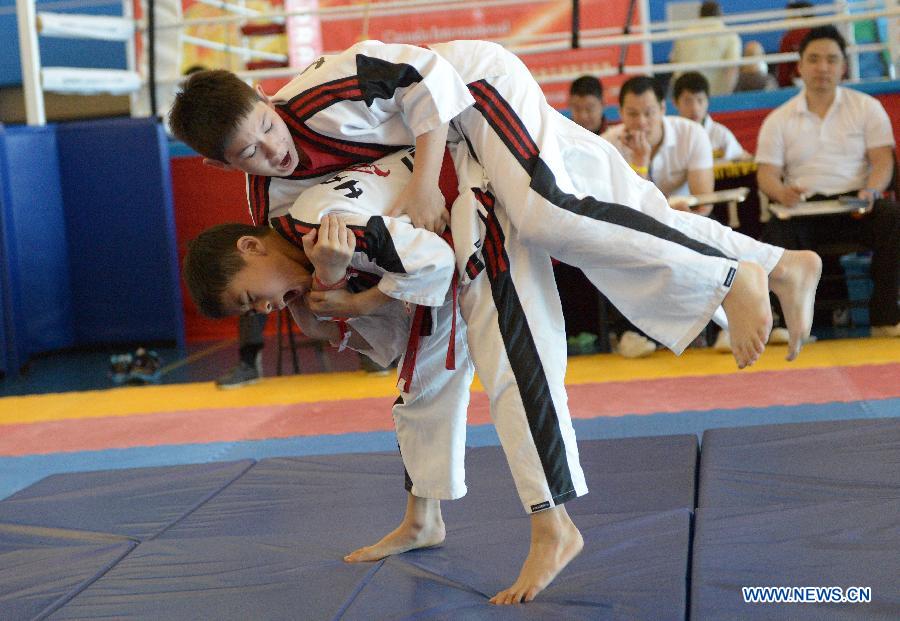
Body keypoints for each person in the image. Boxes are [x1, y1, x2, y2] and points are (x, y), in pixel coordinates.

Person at [169, 39, 822, 602]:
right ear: (220, 167)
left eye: (265, 126)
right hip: (455, 180)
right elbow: (349, 309)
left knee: (547, 219)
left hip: (475, 100)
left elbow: (425, 75)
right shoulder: (278, 211)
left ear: (263, 95)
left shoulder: (318, 93)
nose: (270, 149)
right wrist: (348, 290)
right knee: (617, 211)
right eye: (247, 152)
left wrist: (424, 183)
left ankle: (728, 278)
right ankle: (782, 264)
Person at [757, 26, 900, 338]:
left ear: (843, 66)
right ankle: (787, 324)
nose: (823, 67)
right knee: (773, 232)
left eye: (832, 60)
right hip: (803, 208)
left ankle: (886, 318)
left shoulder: (867, 107)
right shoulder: (778, 119)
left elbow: (883, 161)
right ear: (800, 66)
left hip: (855, 206)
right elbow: (766, 173)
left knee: (893, 218)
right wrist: (781, 191)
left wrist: (871, 190)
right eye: (814, 59)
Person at [673, 71, 750, 161]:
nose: (695, 108)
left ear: (708, 101)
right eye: (688, 101)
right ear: (675, 103)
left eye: (700, 100)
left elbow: (742, 160)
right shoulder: (670, 134)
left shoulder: (720, 134)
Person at [670, 1, 741, 96]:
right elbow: (732, 69)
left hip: (685, 93)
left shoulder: (684, 34)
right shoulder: (730, 35)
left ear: (700, 15)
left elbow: (674, 63)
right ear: (721, 15)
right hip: (716, 94)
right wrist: (726, 95)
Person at [777, 1, 814, 88]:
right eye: (787, 17)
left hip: (792, 87)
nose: (787, 21)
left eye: (792, 18)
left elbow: (783, 75)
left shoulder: (788, 38)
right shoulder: (824, 36)